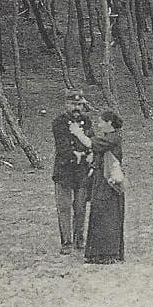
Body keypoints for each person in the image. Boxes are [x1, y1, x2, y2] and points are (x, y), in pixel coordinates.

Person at [70, 110, 124, 265]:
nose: (99, 125)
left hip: (108, 182)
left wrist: (78, 133)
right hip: (101, 180)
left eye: (101, 122)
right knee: (99, 215)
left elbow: (91, 143)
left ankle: (109, 253)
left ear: (109, 123)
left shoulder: (113, 138)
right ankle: (98, 253)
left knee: (108, 217)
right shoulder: (109, 137)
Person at [51, 89, 93, 255]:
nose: (76, 108)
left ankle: (79, 239)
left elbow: (91, 140)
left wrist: (86, 154)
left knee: (80, 207)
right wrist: (74, 153)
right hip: (64, 170)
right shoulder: (59, 122)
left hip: (81, 171)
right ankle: (66, 242)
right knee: (64, 207)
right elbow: (62, 146)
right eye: (73, 104)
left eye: (79, 104)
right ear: (66, 104)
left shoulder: (87, 121)